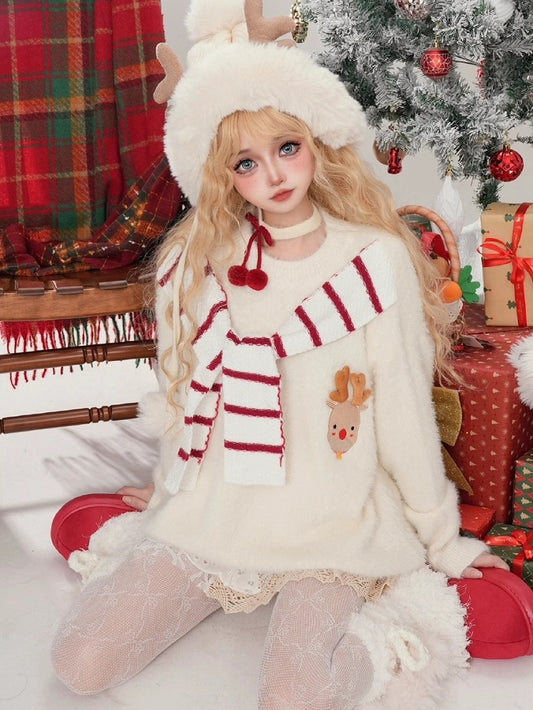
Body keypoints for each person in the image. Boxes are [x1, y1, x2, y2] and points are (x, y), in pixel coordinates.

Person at [50, 1, 528, 708]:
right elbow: (188, 395)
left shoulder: (373, 260)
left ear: (315, 141)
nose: (273, 174)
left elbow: (401, 409)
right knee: (80, 662)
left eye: (286, 148)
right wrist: (172, 489)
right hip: (219, 511)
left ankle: (396, 628)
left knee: (294, 696)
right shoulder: (198, 261)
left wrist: (438, 536)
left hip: (333, 521)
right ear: (223, 175)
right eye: (246, 162)